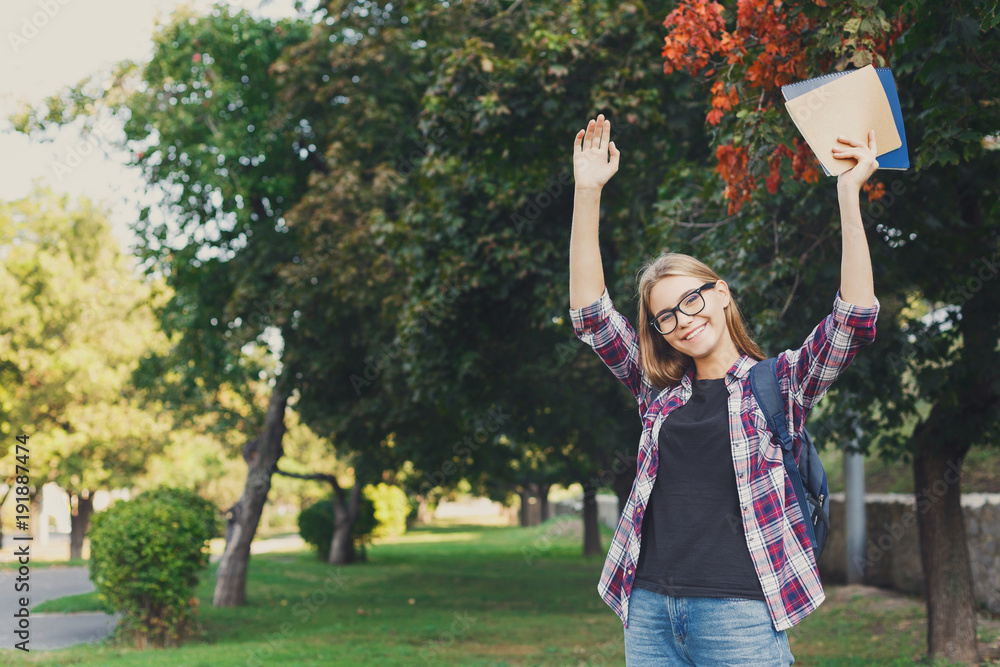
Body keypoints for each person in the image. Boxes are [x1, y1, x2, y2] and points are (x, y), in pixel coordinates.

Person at [568, 113, 880, 666]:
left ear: (721, 294)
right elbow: (591, 316)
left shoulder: (778, 383)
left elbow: (851, 319)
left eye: (692, 300)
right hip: (648, 609)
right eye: (665, 316)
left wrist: (848, 196)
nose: (683, 320)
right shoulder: (657, 392)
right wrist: (587, 192)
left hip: (739, 612)